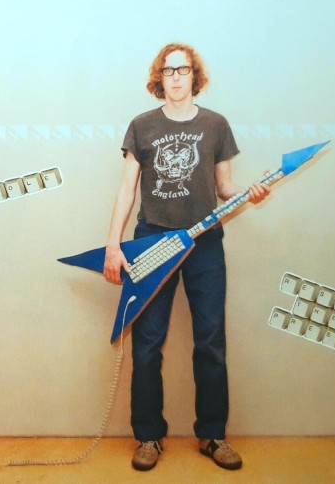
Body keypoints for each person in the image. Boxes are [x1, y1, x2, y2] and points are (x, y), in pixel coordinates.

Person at [103, 42, 270, 471]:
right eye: (168, 70)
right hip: (153, 242)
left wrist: (249, 193)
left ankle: (213, 435)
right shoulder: (142, 126)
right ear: (158, 78)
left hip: (204, 243)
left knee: (210, 342)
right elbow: (127, 189)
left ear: (195, 76)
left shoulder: (216, 125)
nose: (176, 77)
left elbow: (225, 187)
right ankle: (148, 437)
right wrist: (113, 244)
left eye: (183, 70)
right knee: (147, 344)